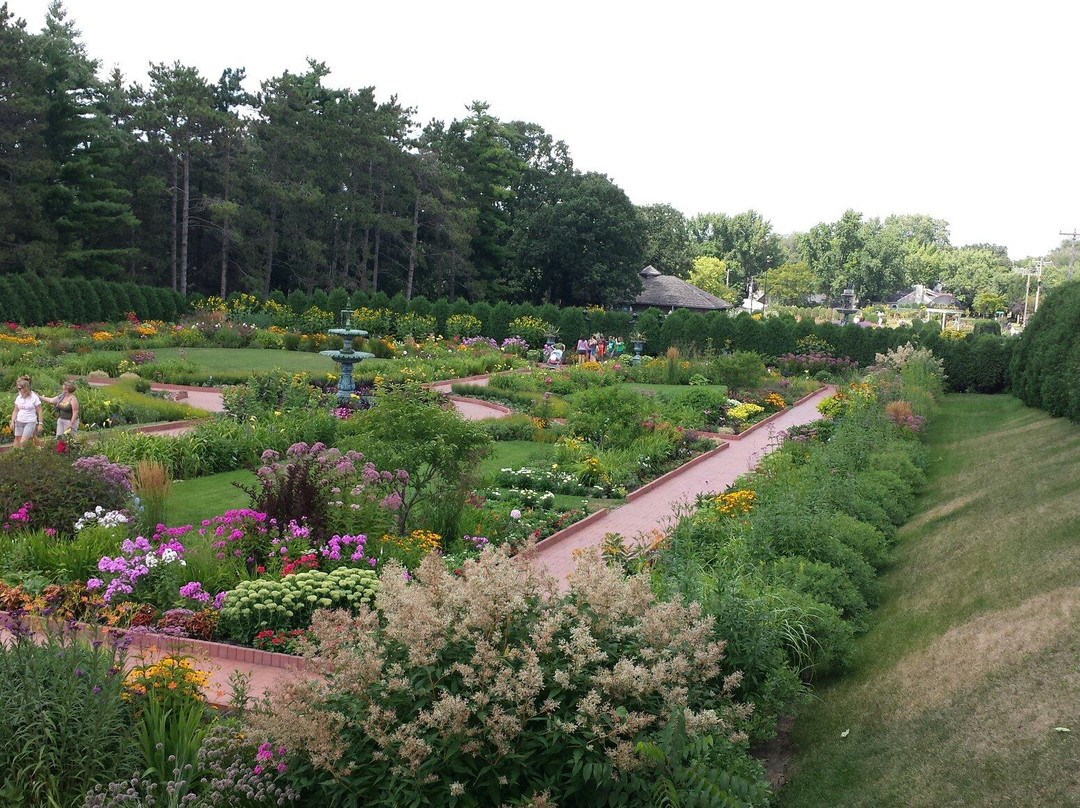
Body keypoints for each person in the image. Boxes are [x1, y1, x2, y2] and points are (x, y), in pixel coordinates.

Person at [9, 375, 43, 448]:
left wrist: (40, 423)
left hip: (30, 421)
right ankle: (15, 455)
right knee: (17, 439)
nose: (18, 390)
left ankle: (21, 455)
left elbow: (39, 411)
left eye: (19, 388)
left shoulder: (34, 397)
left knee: (23, 441)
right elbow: (15, 410)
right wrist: (12, 421)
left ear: (25, 388)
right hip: (19, 421)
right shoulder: (19, 397)